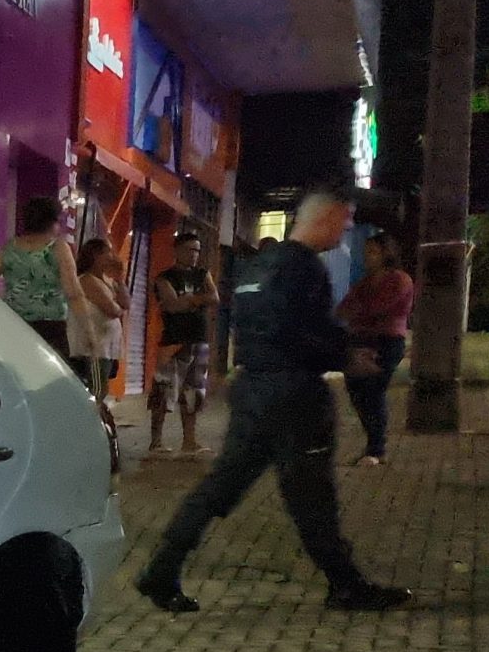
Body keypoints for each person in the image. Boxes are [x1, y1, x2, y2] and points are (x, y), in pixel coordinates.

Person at [133, 191, 409, 614]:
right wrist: (345, 355)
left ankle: (160, 571)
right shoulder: (304, 268)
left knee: (220, 488)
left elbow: (257, 327)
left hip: (255, 390)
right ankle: (346, 586)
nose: (348, 228)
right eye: (346, 219)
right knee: (312, 496)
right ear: (327, 216)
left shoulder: (259, 265)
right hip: (295, 396)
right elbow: (301, 331)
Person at [0, 198, 87, 358]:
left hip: (14, 327)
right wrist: (87, 328)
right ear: (53, 222)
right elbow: (73, 293)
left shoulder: (10, 249)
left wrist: (3, 303)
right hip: (50, 330)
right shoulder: (58, 248)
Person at [337, 232, 414, 465]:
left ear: (386, 253)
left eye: (372, 252)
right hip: (360, 340)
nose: (366, 257)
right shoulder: (364, 282)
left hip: (387, 341)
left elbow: (377, 308)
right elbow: (343, 309)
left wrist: (357, 312)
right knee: (356, 390)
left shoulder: (399, 280)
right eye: (366, 252)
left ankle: (377, 448)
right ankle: (373, 444)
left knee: (373, 389)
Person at [146, 233, 217, 455]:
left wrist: (189, 300)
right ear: (176, 250)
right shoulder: (165, 277)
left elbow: (214, 298)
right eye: (189, 249)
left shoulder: (202, 274)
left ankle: (190, 440)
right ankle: (156, 442)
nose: (194, 255)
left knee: (194, 393)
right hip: (174, 343)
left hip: (199, 340)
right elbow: (172, 305)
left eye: (197, 250)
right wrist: (197, 300)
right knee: (164, 391)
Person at [70, 238, 127, 400]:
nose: (111, 257)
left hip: (107, 348)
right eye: (107, 252)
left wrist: (120, 279)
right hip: (93, 349)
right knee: (96, 391)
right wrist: (118, 307)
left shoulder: (108, 281)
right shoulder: (87, 280)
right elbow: (113, 310)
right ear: (95, 255)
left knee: (101, 388)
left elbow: (126, 303)